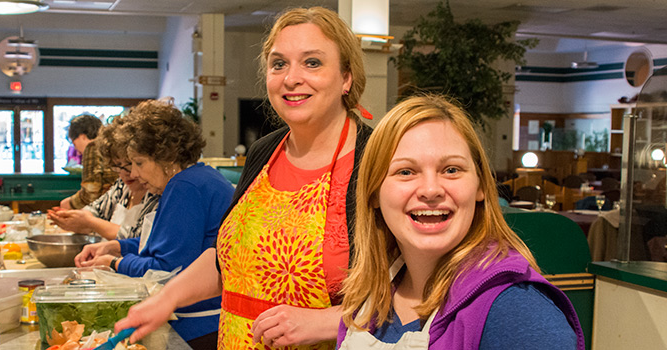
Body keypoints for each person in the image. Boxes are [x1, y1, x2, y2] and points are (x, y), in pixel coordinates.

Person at [114, 7, 372, 349]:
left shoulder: (376, 159)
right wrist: (166, 300)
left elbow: (420, 291)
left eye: (312, 62)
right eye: (279, 64)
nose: (291, 78)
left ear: (346, 78)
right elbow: (228, 260)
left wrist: (329, 321)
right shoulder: (265, 151)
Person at [337, 95, 584, 349]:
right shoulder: (366, 298)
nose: (430, 190)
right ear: (374, 193)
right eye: (406, 172)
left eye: (451, 169)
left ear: (481, 187)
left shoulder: (516, 311)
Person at [74, 99, 234, 348]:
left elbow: (166, 270)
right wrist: (117, 247)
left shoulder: (185, 186)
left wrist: (115, 263)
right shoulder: (197, 178)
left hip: (200, 327)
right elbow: (167, 242)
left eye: (139, 163)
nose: (134, 174)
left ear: (165, 155)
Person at [47, 114, 159, 240]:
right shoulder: (122, 187)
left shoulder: (156, 193)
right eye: (117, 166)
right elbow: (97, 209)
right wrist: (75, 219)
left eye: (129, 164)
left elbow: (139, 238)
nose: (126, 174)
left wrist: (89, 222)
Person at [60, 113, 118, 209]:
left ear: (82, 136)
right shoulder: (110, 146)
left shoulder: (93, 147)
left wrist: (68, 204)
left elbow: (90, 194)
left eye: (74, 143)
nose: (77, 151)